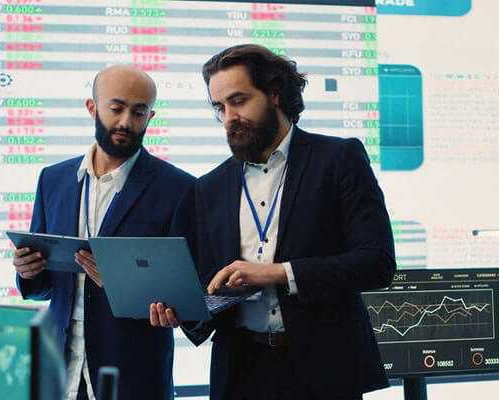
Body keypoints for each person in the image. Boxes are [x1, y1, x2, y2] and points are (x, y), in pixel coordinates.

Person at [150, 44, 396, 400]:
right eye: (220, 107)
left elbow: (377, 262)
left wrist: (279, 273)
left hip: (325, 371)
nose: (229, 117)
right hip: (241, 372)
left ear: (275, 94)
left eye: (238, 100)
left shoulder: (339, 159)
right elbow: (204, 284)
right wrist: (178, 308)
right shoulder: (208, 189)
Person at [13, 65, 194, 400]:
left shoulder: (180, 189)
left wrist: (126, 282)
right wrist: (28, 272)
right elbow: (43, 288)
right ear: (92, 108)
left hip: (134, 378)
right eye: (116, 108)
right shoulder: (52, 180)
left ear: (150, 117)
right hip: (61, 375)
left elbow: (189, 295)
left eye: (138, 112)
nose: (126, 121)